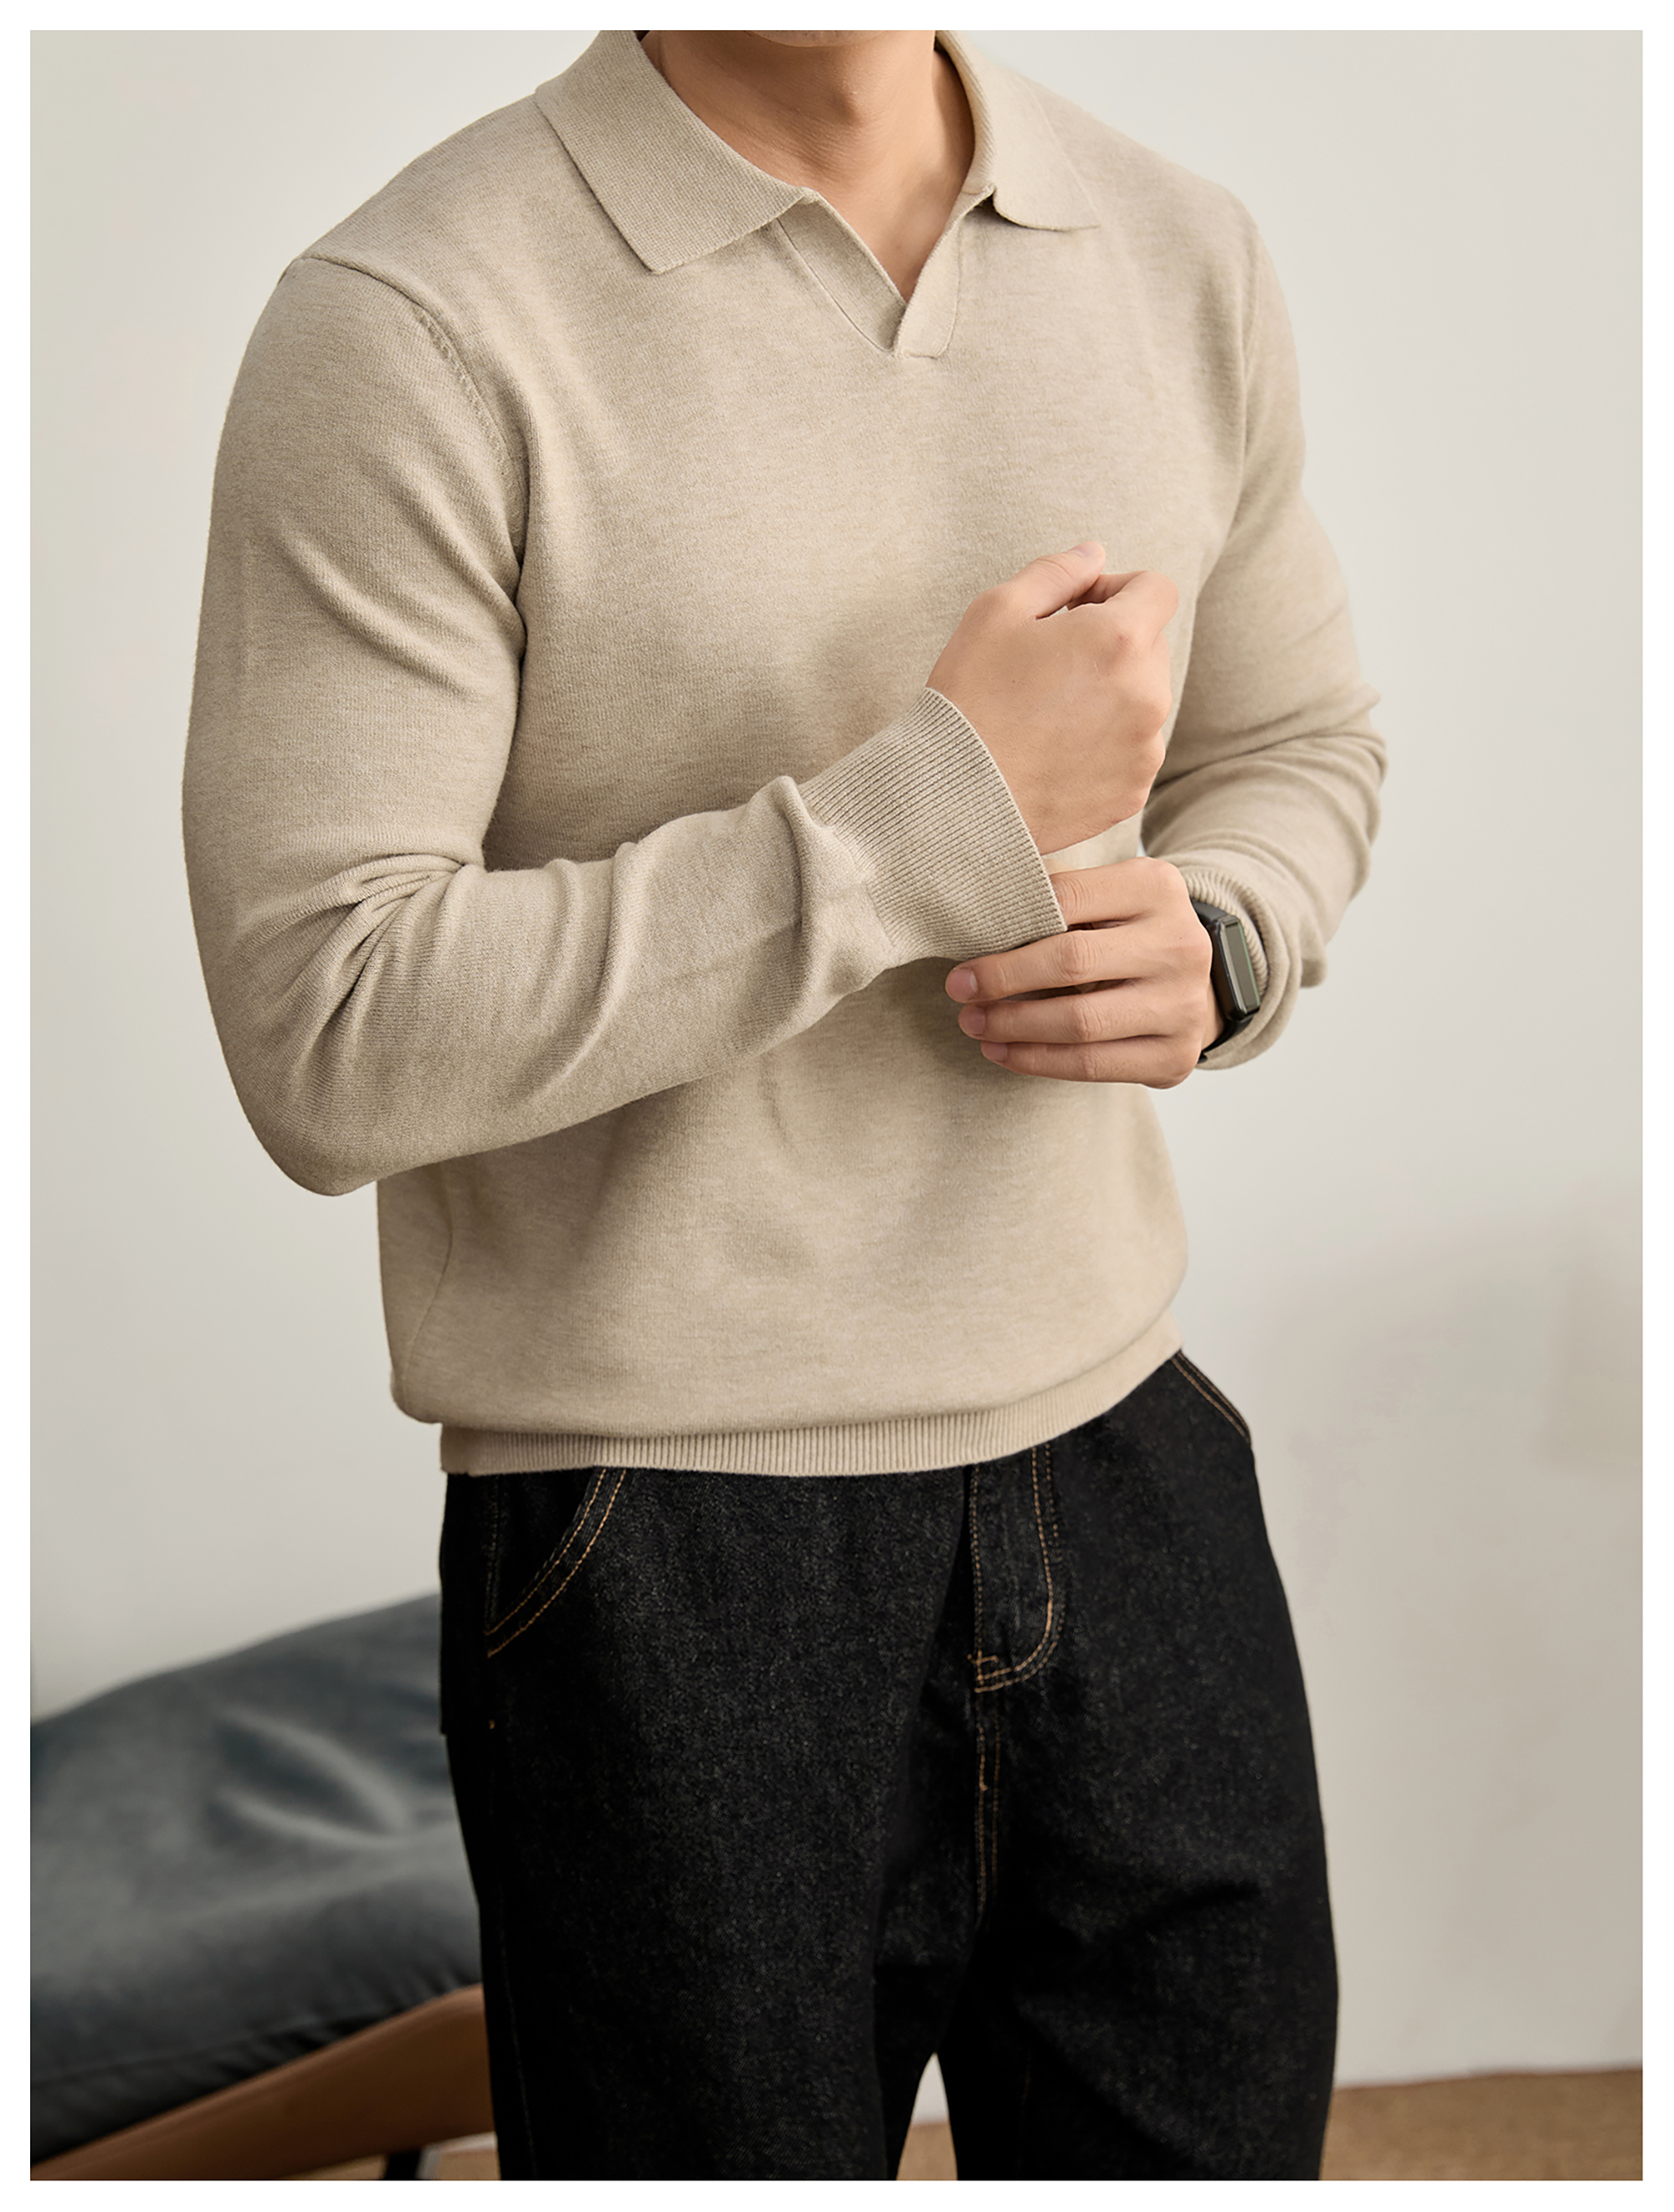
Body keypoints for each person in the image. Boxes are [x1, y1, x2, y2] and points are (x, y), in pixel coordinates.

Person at [182, 28, 1384, 2182]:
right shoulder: (408, 322)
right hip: (659, 1534)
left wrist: (1227, 933)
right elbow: (326, 1028)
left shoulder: (1177, 249)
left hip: (1126, 1449)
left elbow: (1295, 742)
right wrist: (930, 814)